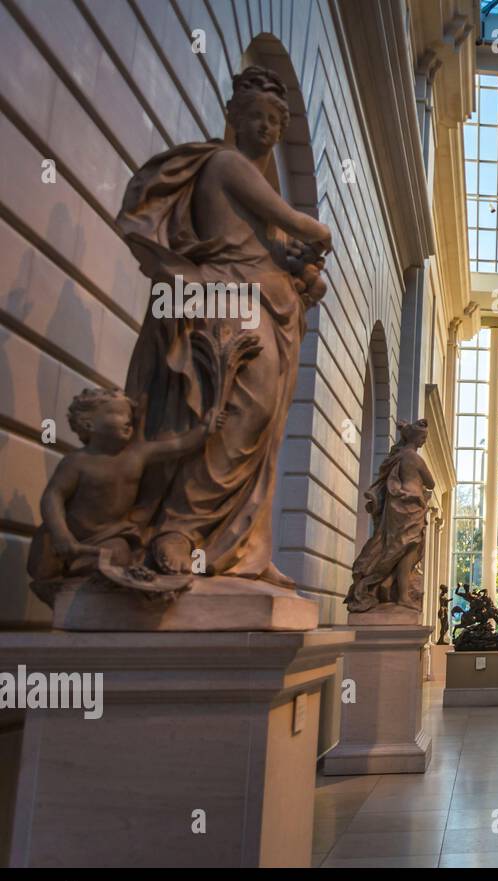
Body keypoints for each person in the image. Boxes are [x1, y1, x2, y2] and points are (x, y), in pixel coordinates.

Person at [116, 65, 331, 587]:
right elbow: (307, 226)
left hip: (267, 304)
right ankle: (180, 530)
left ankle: (241, 549)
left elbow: (278, 247)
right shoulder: (228, 165)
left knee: (261, 432)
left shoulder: (254, 183)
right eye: (254, 117)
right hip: (229, 300)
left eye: (273, 121)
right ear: (234, 118)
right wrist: (312, 237)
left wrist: (300, 267)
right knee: (238, 413)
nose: (264, 128)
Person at [27, 388, 224, 605]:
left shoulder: (137, 455)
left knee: (119, 555)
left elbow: (179, 446)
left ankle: (87, 577)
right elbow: (52, 496)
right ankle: (58, 582)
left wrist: (205, 428)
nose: (128, 421)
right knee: (43, 553)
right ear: (88, 423)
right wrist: (61, 534)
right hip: (71, 533)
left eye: (129, 416)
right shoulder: (76, 462)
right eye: (118, 414)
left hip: (109, 536)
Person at [345, 419, 435, 612]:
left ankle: (388, 588)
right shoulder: (415, 459)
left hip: (397, 506)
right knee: (407, 549)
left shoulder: (397, 457)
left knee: (394, 547)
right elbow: (431, 482)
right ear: (417, 438)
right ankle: (400, 595)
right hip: (412, 507)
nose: (424, 441)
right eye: (423, 437)